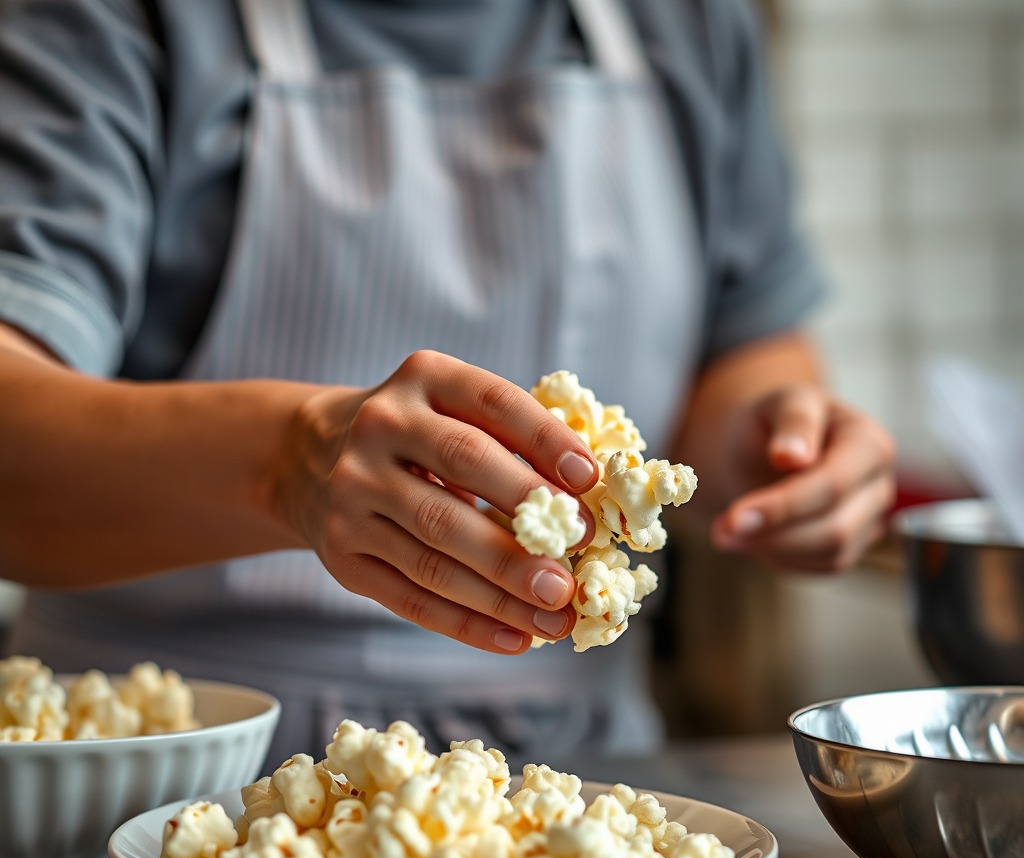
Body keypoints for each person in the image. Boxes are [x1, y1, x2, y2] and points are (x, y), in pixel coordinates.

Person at [0, 0, 894, 769]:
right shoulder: (115, 22)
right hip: (172, 770)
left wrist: (772, 445)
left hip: (581, 786)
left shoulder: (684, 20)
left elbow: (745, 346)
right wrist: (286, 464)